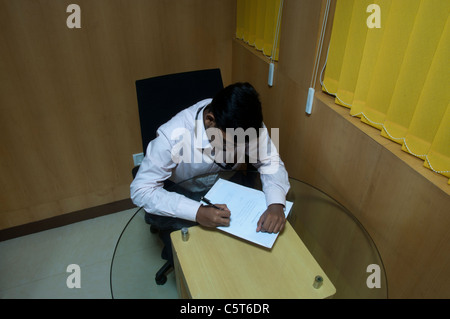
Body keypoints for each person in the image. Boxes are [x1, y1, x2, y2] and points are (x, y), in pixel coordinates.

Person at [130, 82, 290, 235]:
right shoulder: (173, 136)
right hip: (185, 189)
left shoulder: (248, 123)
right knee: (199, 241)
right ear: (210, 120)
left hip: (227, 184)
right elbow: (140, 190)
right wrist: (197, 212)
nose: (236, 150)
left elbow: (270, 160)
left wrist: (276, 204)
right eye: (229, 143)